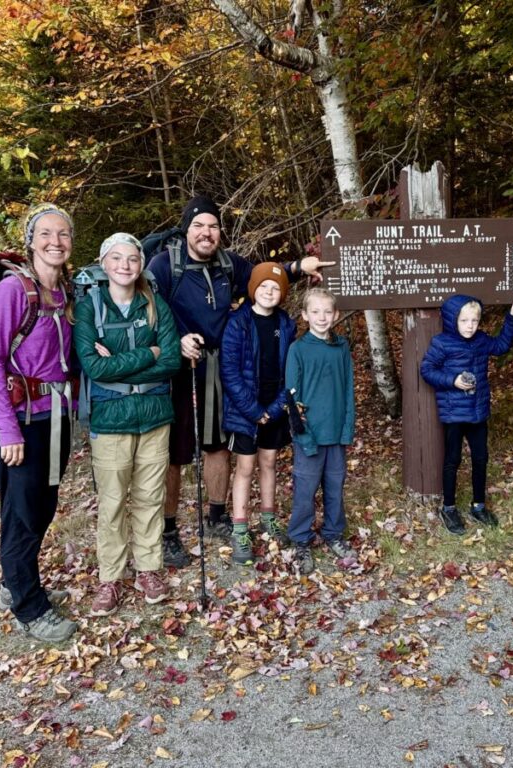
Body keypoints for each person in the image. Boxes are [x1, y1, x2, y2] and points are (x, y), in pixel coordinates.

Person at [146, 195, 331, 568]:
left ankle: (216, 516)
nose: (206, 232)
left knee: (217, 444)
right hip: (177, 368)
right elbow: (150, 305)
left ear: (220, 232)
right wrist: (175, 338)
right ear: (186, 230)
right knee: (176, 453)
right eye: (198, 225)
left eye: (212, 226)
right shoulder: (165, 264)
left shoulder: (228, 264)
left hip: (217, 366)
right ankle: (167, 531)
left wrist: (298, 265)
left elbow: (265, 279)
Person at [0, 203, 77, 643]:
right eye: (46, 234)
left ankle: (15, 582)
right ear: (31, 241)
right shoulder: (14, 291)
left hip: (53, 419)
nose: (55, 242)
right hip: (17, 422)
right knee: (23, 513)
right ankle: (30, 607)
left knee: (40, 508)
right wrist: (8, 429)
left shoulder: (65, 293)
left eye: (63, 234)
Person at [74, 233, 182, 615]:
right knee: (113, 501)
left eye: (132, 259)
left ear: (141, 265)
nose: (125, 265)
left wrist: (128, 358)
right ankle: (110, 577)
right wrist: (146, 352)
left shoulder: (155, 305)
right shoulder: (89, 308)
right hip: (111, 416)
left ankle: (149, 569)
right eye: (117, 259)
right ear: (104, 264)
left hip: (155, 414)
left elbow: (171, 360)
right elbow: (94, 366)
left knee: (151, 498)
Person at [420, 295, 513, 533]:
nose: (469, 325)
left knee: (480, 458)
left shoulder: (481, 340)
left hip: (478, 412)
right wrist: (453, 381)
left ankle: (478, 505)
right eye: (464, 320)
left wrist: (511, 320)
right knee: (452, 460)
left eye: (474, 320)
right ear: (452, 320)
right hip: (454, 413)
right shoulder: (442, 343)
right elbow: (427, 369)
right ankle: (449, 508)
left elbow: (501, 346)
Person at [219, 262, 295, 565]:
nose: (269, 292)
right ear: (253, 289)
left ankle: (268, 518)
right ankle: (240, 527)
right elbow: (230, 372)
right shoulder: (238, 323)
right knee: (245, 467)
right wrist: (253, 411)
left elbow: (292, 370)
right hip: (244, 411)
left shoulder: (286, 324)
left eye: (275, 288)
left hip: (274, 407)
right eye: (264, 286)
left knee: (269, 462)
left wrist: (275, 408)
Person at [285, 288, 356, 575]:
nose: (322, 317)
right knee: (305, 489)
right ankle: (301, 539)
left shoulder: (341, 348)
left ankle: (333, 533)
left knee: (335, 487)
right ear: (304, 315)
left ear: (336, 314)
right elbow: (293, 398)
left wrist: (347, 428)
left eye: (327, 311)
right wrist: (303, 435)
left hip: (336, 434)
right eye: (315, 312)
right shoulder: (298, 350)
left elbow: (349, 390)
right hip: (309, 436)